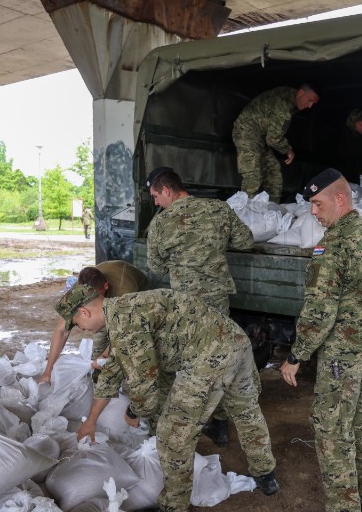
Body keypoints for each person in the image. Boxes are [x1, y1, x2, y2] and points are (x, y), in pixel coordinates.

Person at [57, 285, 280, 511]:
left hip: (208, 360)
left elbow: (145, 385)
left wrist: (135, 411)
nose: (82, 330)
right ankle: (265, 474)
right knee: (246, 412)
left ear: (84, 312)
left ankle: (173, 506)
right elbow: (114, 368)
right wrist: (91, 420)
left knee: (173, 437)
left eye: (77, 325)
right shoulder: (125, 308)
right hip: (236, 342)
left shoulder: (125, 325)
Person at [280, 168, 362, 512]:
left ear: (339, 198)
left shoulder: (331, 246)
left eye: (317, 204)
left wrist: (296, 356)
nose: (314, 213)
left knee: (333, 432)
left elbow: (319, 310)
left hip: (345, 355)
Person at [146, 166, 254, 445]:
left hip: (184, 308)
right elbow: (245, 240)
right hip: (217, 304)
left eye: (156, 196)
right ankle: (219, 425)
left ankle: (177, 425)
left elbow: (155, 267)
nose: (156, 203)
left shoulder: (160, 223)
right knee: (220, 362)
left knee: (182, 362)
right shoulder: (219, 210)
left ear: (167, 190)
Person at [39, 260, 149, 385]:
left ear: (106, 287)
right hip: (107, 306)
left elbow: (127, 330)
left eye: (95, 298)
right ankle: (99, 384)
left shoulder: (125, 291)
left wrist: (107, 354)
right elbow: (61, 331)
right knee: (98, 350)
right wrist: (48, 371)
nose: (90, 304)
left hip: (138, 291)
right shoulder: (81, 290)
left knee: (130, 352)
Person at [232, 83, 321, 202]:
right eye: (309, 100)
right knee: (252, 176)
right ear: (301, 93)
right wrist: (288, 150)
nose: (309, 106)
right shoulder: (283, 104)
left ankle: (271, 212)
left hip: (260, 138)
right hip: (246, 132)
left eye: (313, 104)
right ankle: (244, 213)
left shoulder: (291, 97)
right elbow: (273, 138)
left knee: (273, 174)